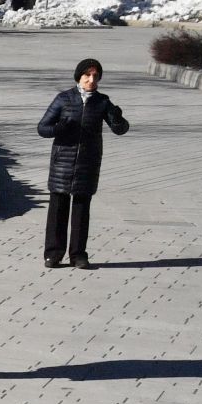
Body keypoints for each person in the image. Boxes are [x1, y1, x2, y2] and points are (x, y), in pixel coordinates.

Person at [37, 58, 130, 270]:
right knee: (58, 208)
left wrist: (117, 118)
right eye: (87, 75)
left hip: (88, 162)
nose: (91, 79)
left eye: (95, 76)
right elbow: (42, 128)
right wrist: (58, 129)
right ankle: (53, 254)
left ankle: (78, 255)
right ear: (79, 76)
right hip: (62, 162)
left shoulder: (102, 102)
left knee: (81, 210)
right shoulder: (64, 99)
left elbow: (121, 129)